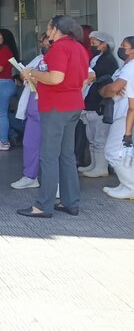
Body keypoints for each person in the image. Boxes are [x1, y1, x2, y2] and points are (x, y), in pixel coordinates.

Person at [17, 16, 90, 218]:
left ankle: (43, 205)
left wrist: (33, 73)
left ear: (56, 29)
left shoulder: (59, 48)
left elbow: (56, 77)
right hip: (74, 105)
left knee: (49, 156)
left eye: (49, 28)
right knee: (67, 155)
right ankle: (70, 202)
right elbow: (83, 78)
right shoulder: (80, 48)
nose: (47, 32)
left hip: (55, 107)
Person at [78, 31, 120, 178]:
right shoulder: (97, 58)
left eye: (95, 42)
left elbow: (100, 80)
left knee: (99, 138)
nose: (92, 45)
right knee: (92, 137)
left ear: (104, 44)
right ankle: (94, 164)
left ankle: (101, 167)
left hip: (99, 104)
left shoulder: (108, 60)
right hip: (90, 103)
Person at [11, 34, 50, 189]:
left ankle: (57, 182)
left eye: (45, 39)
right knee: (30, 143)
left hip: (50, 109)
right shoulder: (39, 58)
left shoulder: (63, 58)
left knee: (52, 147)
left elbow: (88, 74)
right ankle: (30, 176)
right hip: (34, 108)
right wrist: (25, 75)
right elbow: (26, 72)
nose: (42, 43)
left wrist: (35, 77)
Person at [98, 36, 134, 199]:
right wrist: (108, 89)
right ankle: (125, 183)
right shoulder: (125, 67)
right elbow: (109, 88)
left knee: (113, 151)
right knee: (122, 152)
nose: (120, 48)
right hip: (121, 112)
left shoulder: (131, 67)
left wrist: (108, 89)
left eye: (124, 46)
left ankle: (130, 185)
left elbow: (113, 88)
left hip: (126, 114)